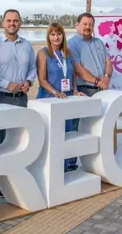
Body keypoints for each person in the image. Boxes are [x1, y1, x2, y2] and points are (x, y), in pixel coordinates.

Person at [0, 8, 36, 196]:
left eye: (15, 20)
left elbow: (32, 68)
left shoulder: (27, 45)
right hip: (0, 98)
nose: (12, 23)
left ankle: (14, 178)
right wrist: (8, 84)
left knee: (18, 140)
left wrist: (29, 81)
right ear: (2, 23)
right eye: (9, 20)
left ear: (20, 23)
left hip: (21, 100)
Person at [35, 22, 86, 172]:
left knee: (66, 134)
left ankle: (65, 168)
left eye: (58, 34)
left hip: (66, 99)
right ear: (48, 37)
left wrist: (75, 90)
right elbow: (42, 79)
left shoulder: (68, 53)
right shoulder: (43, 53)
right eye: (52, 34)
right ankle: (50, 170)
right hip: (49, 98)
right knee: (50, 137)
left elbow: (72, 74)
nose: (56, 37)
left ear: (63, 35)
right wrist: (55, 92)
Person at [68, 12, 113, 96]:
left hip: (103, 88)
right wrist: (97, 81)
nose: (88, 27)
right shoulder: (72, 44)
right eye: (85, 24)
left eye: (91, 25)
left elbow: (108, 62)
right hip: (84, 89)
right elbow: (78, 69)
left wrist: (107, 77)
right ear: (77, 24)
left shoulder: (99, 42)